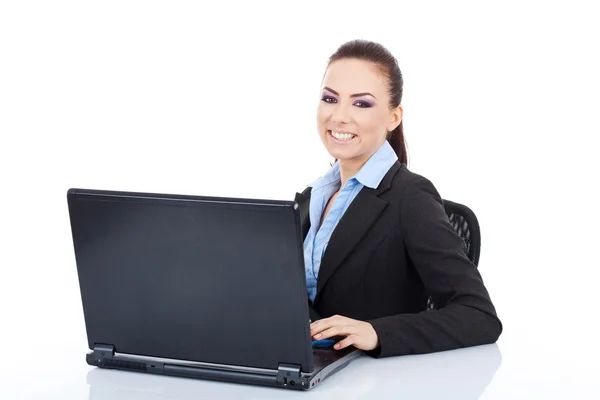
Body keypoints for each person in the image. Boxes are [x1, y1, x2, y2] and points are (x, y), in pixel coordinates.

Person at [294, 39, 502, 358]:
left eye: (361, 103)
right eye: (329, 99)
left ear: (393, 117)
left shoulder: (411, 198)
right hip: (303, 368)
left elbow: (479, 316)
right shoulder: (312, 197)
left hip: (370, 380)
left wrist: (377, 332)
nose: (339, 116)